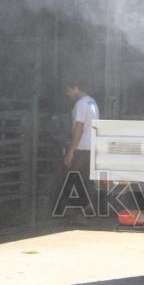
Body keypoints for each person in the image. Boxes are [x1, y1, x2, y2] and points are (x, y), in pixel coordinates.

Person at [62, 80, 99, 218]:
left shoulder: (81, 104)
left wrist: (70, 152)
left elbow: (79, 128)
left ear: (76, 87)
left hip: (82, 148)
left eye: (68, 91)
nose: (67, 94)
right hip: (90, 147)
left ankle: (84, 208)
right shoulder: (92, 102)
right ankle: (85, 210)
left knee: (72, 179)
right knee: (83, 180)